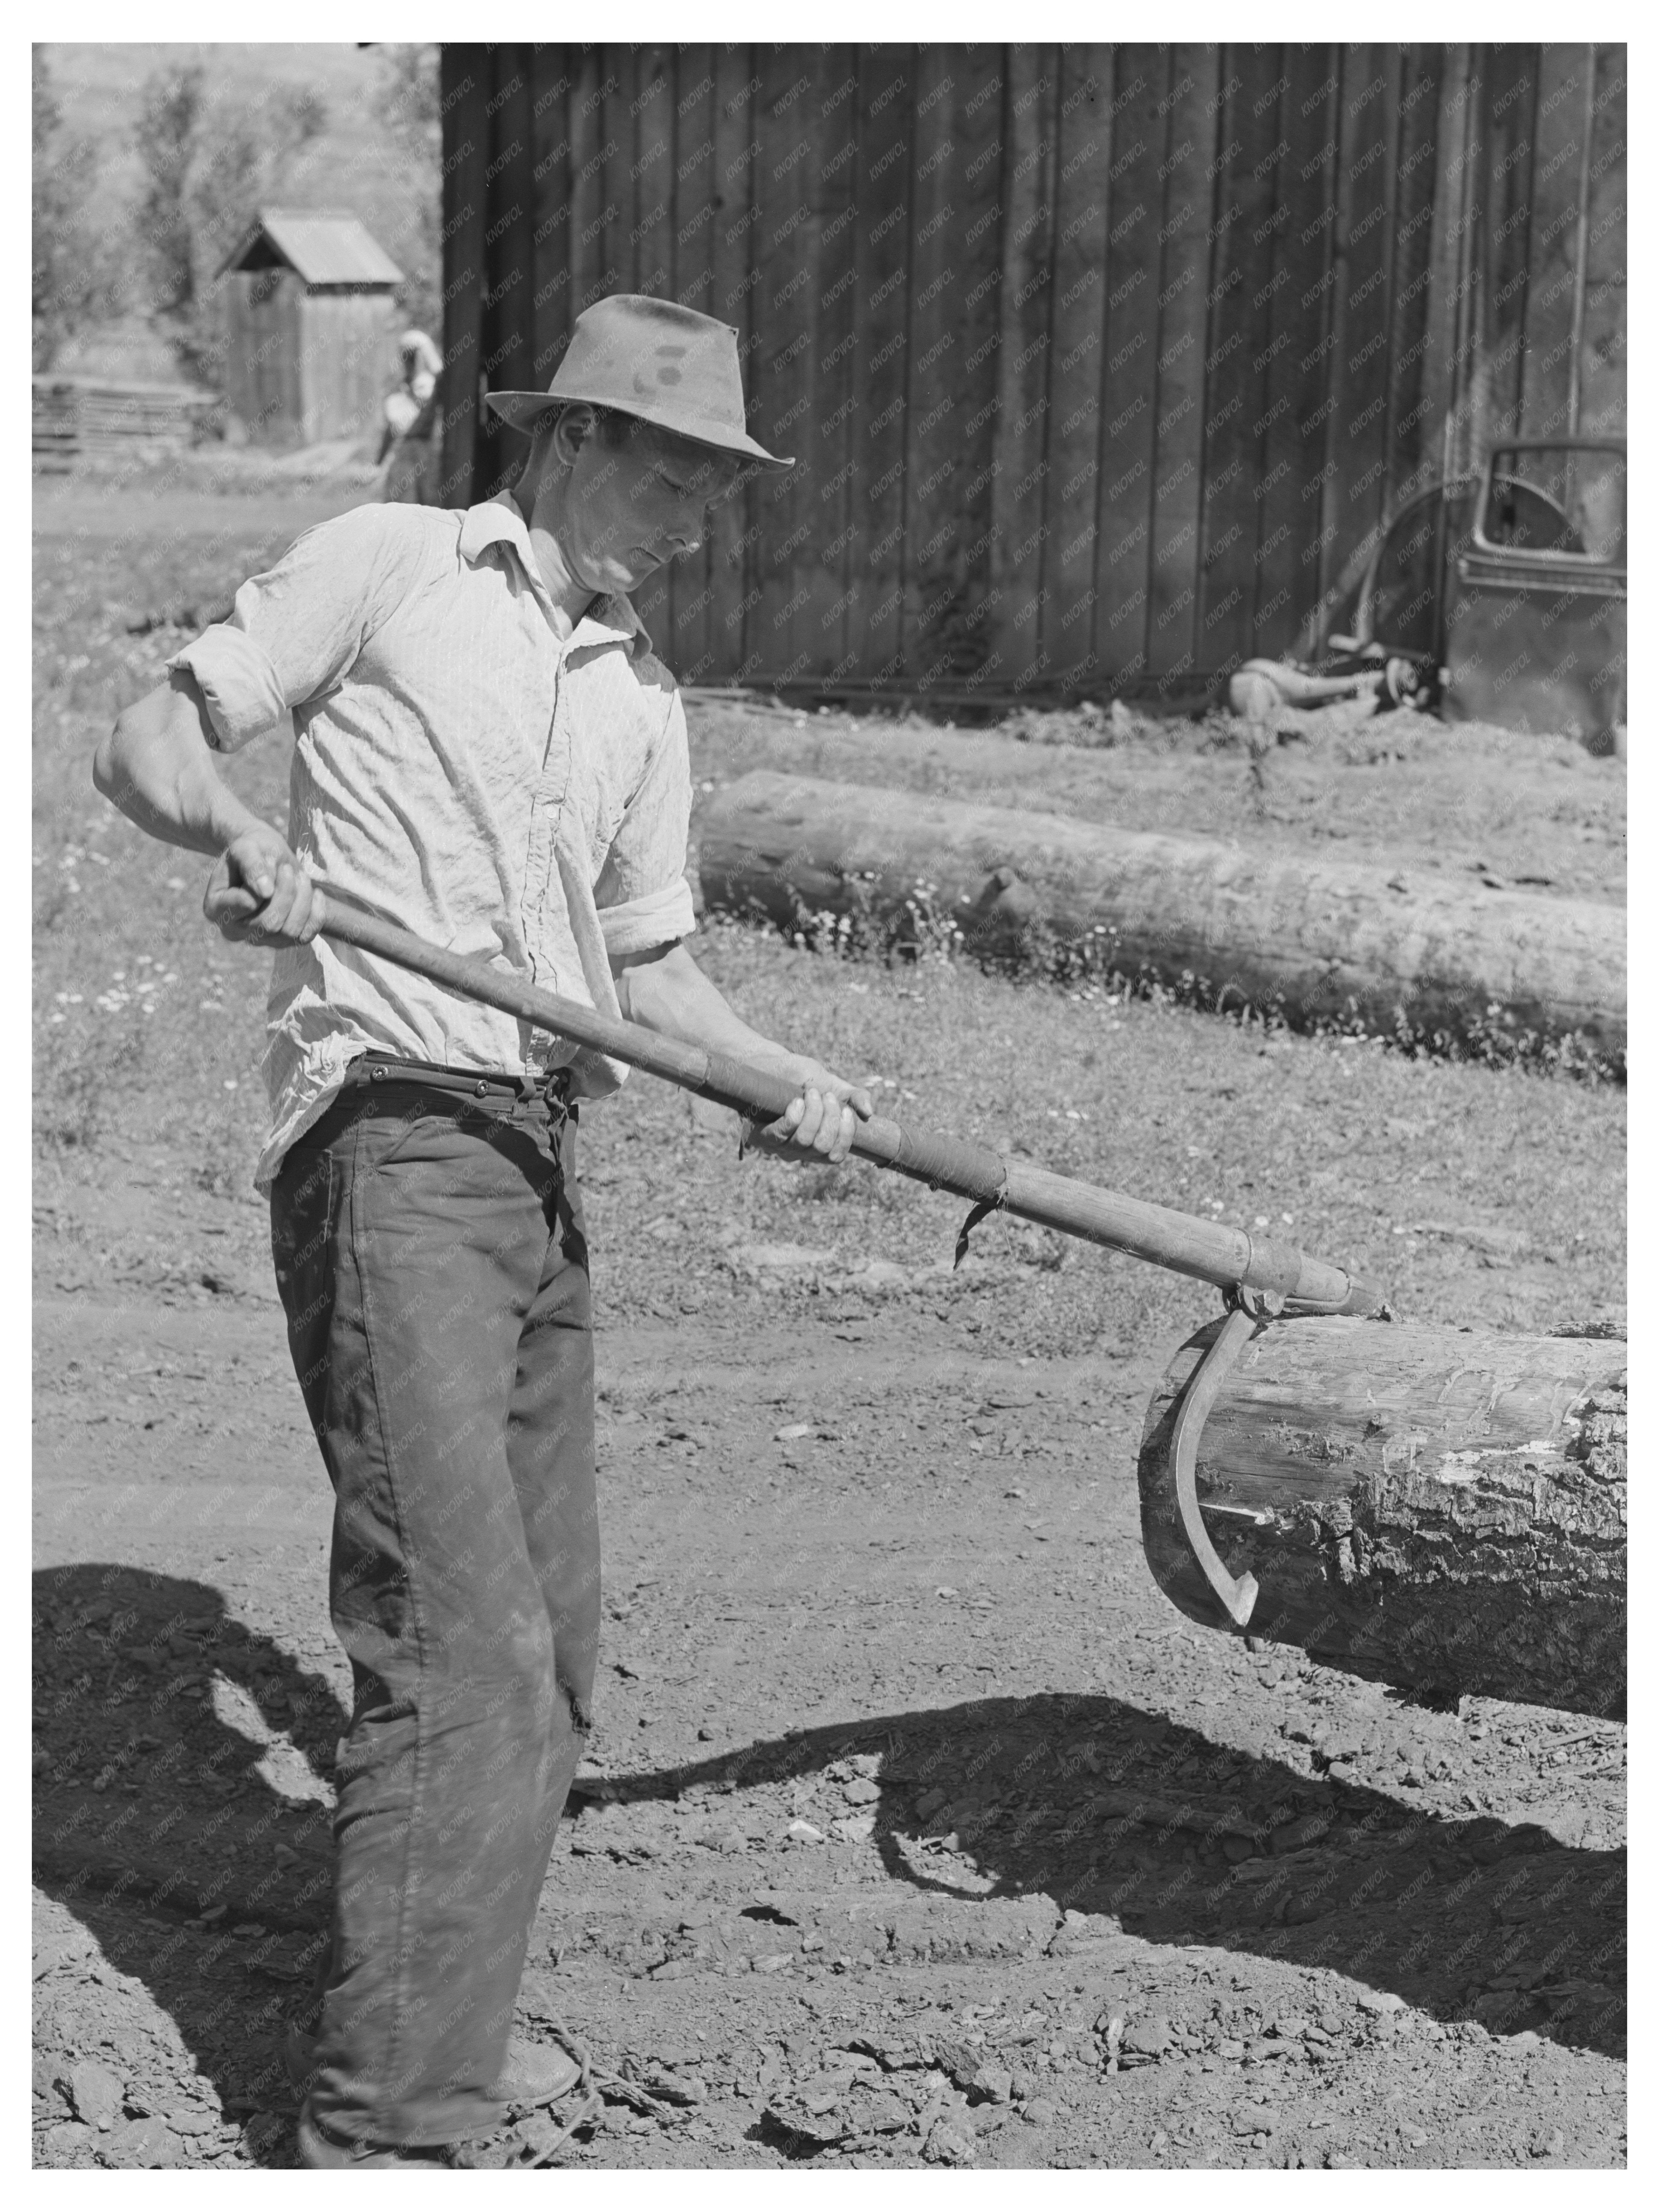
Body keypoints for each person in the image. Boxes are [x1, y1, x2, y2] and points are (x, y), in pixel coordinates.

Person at [92, 294, 875, 2168]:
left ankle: (434, 2011)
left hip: (534, 1160)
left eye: (717, 484)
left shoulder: (637, 697)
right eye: (675, 472)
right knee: (464, 1651)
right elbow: (148, 731)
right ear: (573, 439)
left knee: (556, 1649)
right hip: (390, 1130)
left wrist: (789, 1077)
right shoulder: (386, 567)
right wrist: (233, 831)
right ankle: (386, 2129)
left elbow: (658, 978)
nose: (696, 514)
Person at [378, 328, 442, 504]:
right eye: (407, 356)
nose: (410, 360)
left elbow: (439, 374)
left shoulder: (429, 385)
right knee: (402, 508)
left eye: (413, 355)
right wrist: (379, 462)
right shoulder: (398, 389)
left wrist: (423, 345)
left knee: (430, 508)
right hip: (404, 453)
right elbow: (391, 430)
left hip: (426, 449)